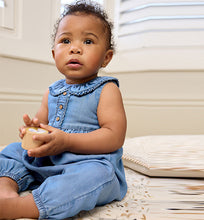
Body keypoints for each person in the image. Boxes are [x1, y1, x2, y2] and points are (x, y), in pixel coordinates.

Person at [0, 1, 127, 219]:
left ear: (106, 57)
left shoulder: (107, 89)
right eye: (65, 40)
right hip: (49, 160)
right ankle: (6, 188)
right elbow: (43, 124)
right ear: (54, 54)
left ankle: (26, 207)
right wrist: (32, 131)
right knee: (11, 151)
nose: (75, 48)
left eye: (88, 41)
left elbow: (114, 137)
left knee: (96, 177)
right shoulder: (52, 91)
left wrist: (68, 141)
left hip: (88, 162)